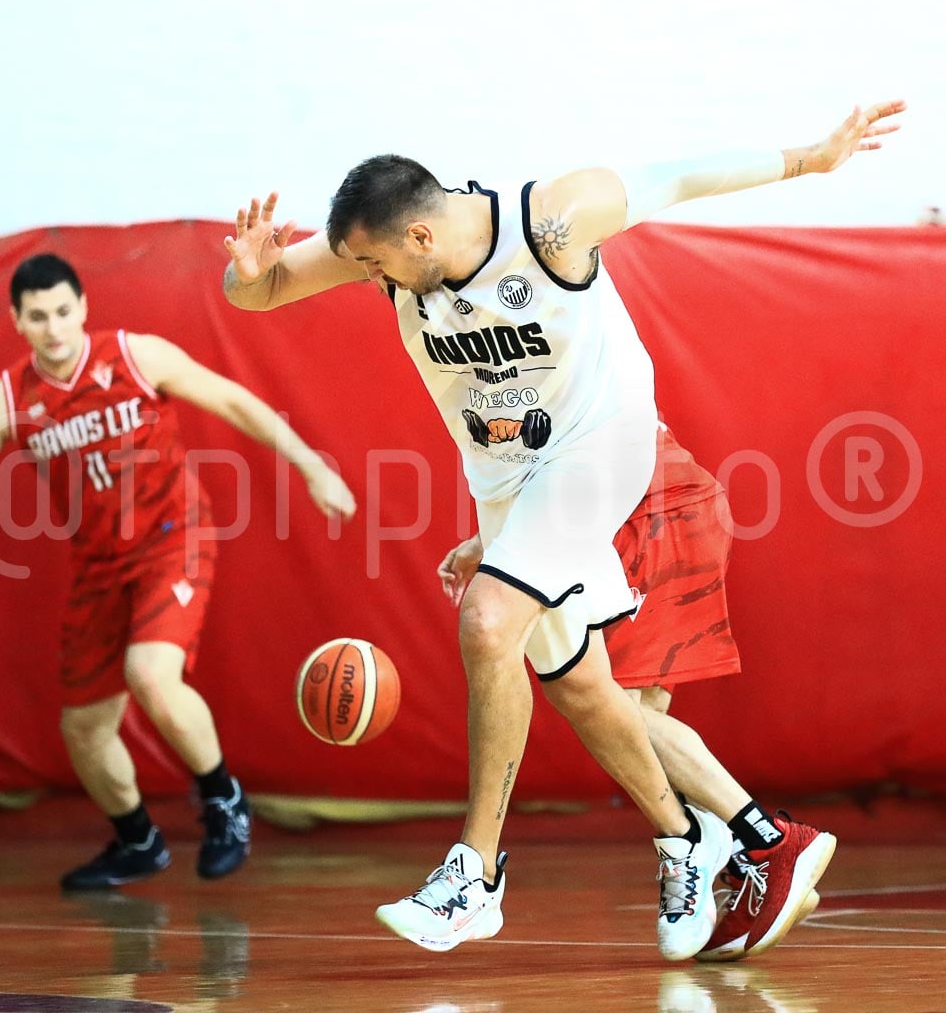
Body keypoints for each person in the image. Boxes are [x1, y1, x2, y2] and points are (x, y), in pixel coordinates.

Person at [221, 99, 905, 958]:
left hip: (599, 453)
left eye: (374, 266)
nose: (366, 280)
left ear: (420, 236)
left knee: (487, 621)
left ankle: (475, 873)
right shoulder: (383, 247)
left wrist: (809, 158)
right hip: (510, 485)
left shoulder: (549, 221)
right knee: (579, 685)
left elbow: (675, 178)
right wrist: (246, 276)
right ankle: (688, 840)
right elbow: (265, 291)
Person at [0, 253, 357, 891]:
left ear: (83, 308)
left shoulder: (136, 356)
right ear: (16, 320)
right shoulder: (8, 401)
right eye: (38, 317)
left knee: (150, 673)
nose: (54, 328)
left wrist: (312, 467)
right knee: (83, 729)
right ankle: (137, 842)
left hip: (172, 537)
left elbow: (233, 401)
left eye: (63, 311)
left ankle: (224, 799)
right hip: (98, 563)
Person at [437, 420, 831, 961]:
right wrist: (489, 540)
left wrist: (495, 544)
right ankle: (748, 859)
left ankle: (769, 840)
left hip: (646, 513)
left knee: (603, 702)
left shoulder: (526, 376)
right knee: (633, 722)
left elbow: (565, 453)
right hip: (670, 504)